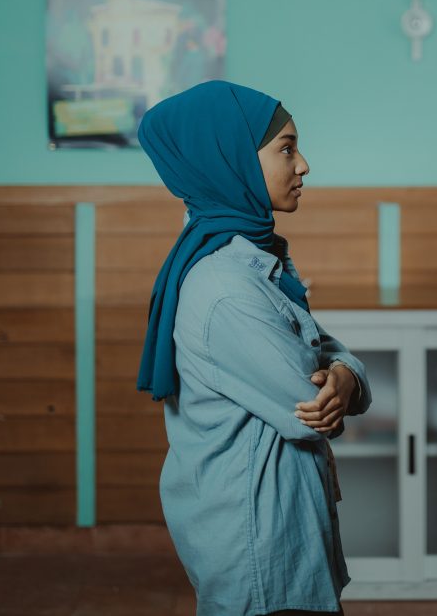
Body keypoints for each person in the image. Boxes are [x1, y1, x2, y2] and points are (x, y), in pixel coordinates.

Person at [137, 80, 370, 616]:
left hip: (279, 532)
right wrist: (344, 372)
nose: (304, 164)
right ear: (231, 161)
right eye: (286, 148)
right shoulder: (226, 288)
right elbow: (309, 406)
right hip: (259, 546)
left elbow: (326, 358)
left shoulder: (252, 259)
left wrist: (345, 373)